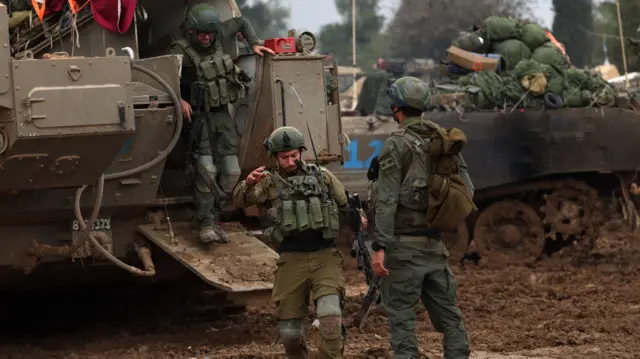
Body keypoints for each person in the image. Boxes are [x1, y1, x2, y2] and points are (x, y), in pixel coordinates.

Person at [232, 126, 367, 359]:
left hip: (324, 256)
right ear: (275, 157)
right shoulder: (267, 182)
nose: (290, 160)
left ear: (301, 152)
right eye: (284, 157)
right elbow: (240, 201)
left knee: (330, 318)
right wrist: (248, 184)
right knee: (290, 334)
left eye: (294, 155)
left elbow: (346, 204)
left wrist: (359, 218)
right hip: (290, 259)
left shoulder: (322, 176)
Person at [370, 76, 473, 359]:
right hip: (436, 247)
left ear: (396, 109)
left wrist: (379, 246)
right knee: (450, 318)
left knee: (402, 320)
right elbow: (468, 190)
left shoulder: (397, 143)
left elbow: (387, 199)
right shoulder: (443, 139)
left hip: (403, 250)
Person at [169, 3, 275, 244]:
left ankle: (215, 217)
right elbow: (164, 77)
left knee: (232, 171)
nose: (206, 38)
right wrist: (179, 99)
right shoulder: (181, 51)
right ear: (191, 32)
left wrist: (254, 42)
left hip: (222, 116)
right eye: (201, 34)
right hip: (198, 118)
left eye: (209, 34)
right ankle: (205, 223)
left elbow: (241, 22)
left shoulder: (219, 33)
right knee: (206, 170)